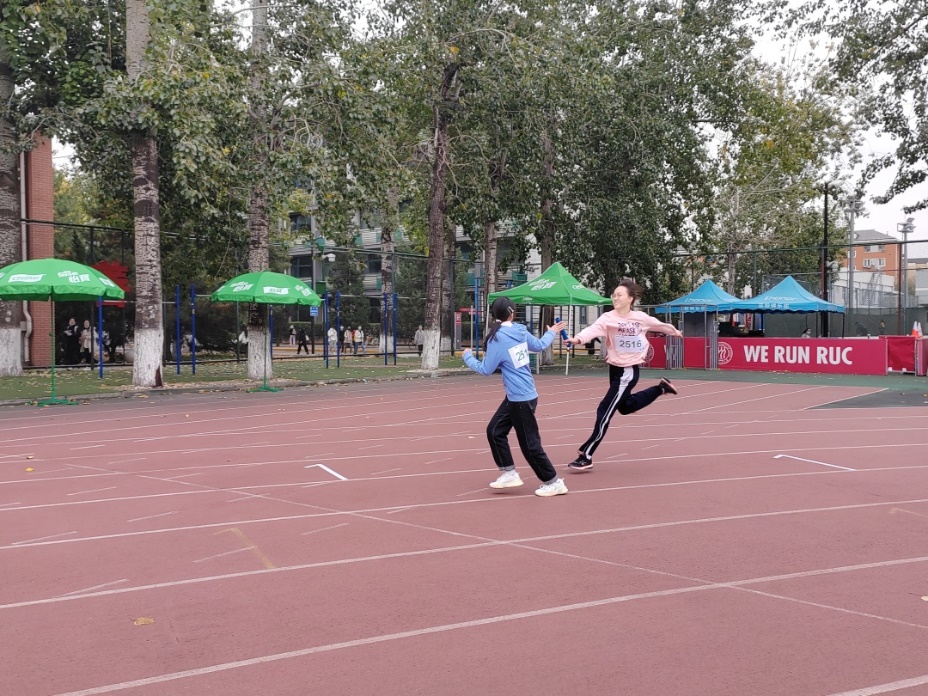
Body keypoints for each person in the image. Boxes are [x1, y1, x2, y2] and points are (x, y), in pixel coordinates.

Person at [564, 278, 683, 472]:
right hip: (615, 370)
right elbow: (592, 330)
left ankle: (586, 455)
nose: (615, 298)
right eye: (613, 295)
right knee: (625, 407)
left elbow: (660, 325)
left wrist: (675, 331)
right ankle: (660, 389)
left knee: (604, 410)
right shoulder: (607, 318)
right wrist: (577, 339)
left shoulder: (640, 318)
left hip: (628, 372)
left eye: (619, 295)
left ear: (630, 298)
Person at [462, 297, 569, 497]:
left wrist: (468, 357)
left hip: (521, 398)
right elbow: (539, 345)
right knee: (495, 430)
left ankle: (553, 481)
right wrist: (551, 332)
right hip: (518, 396)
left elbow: (485, 369)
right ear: (512, 313)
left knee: (530, 444)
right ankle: (509, 473)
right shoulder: (519, 331)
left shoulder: (498, 338)